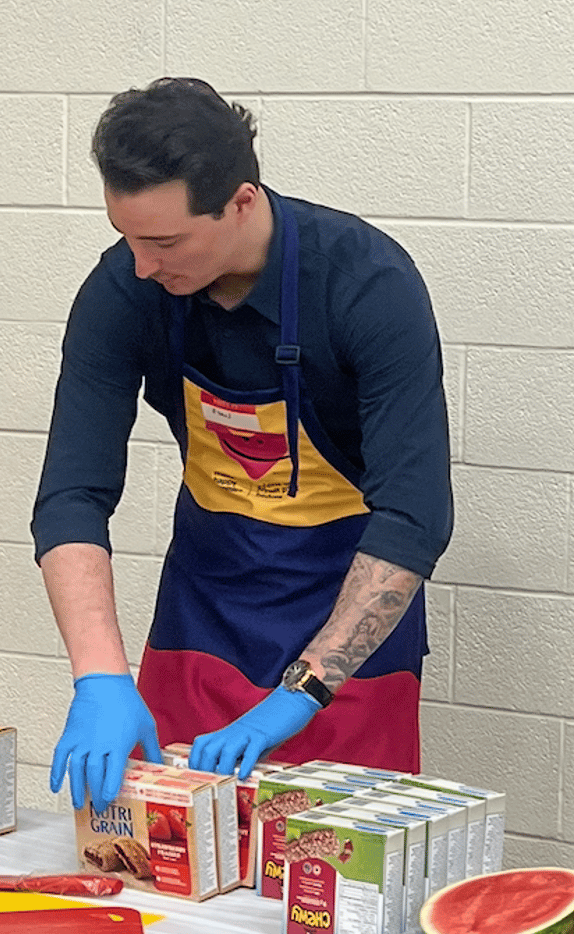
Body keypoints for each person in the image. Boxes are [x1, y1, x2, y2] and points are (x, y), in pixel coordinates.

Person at [35, 78, 453, 815]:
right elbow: (73, 491)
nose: (141, 264)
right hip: (205, 609)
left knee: (331, 891)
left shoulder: (366, 283)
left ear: (242, 201)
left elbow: (414, 516)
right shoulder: (127, 288)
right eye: (127, 236)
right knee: (172, 870)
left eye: (166, 241)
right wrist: (99, 676)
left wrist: (296, 698)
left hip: (346, 638)